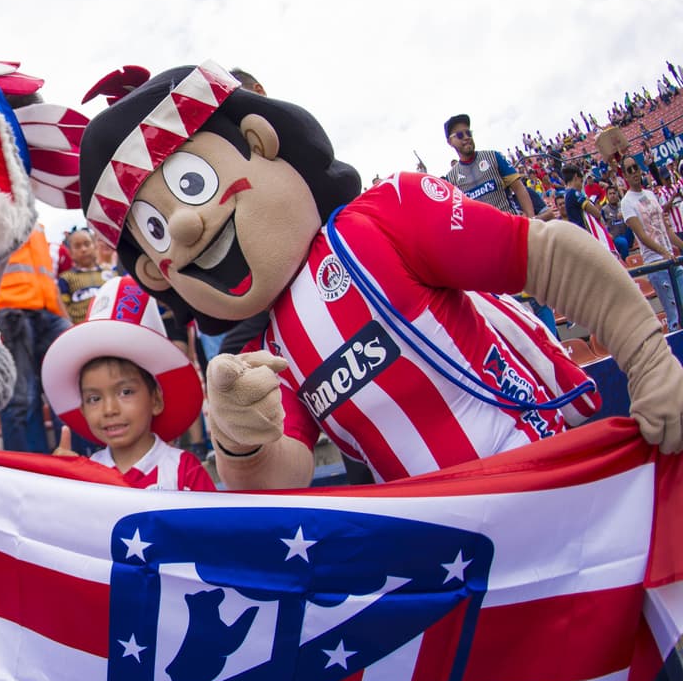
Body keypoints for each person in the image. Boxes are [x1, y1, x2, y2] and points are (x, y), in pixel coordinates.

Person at [78, 63, 683, 491]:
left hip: (562, 477)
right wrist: (240, 441)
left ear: (261, 142)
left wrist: (652, 363)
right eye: (157, 230)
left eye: (194, 185)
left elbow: (548, 258)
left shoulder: (389, 213)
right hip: (466, 562)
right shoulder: (271, 350)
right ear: (157, 272)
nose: (183, 228)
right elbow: (284, 476)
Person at [42, 277, 214, 491]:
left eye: (125, 392)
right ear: (82, 409)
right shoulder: (83, 476)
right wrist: (59, 487)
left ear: (156, 399)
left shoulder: (185, 471)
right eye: (94, 398)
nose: (109, 410)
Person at [0, 224, 72, 452]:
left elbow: (45, 276)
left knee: (65, 392)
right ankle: (29, 469)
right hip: (11, 309)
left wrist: (66, 319)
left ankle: (71, 460)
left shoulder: (36, 225)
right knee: (22, 398)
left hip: (48, 312)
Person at [621, 156, 683, 331]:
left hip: (670, 258)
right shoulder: (627, 202)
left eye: (635, 167)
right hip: (656, 262)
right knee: (674, 317)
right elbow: (641, 235)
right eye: (629, 170)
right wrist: (663, 252)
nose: (634, 172)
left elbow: (667, 230)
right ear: (625, 175)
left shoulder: (650, 194)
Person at [443, 114, 536, 217]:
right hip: (481, 232)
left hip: (508, 225)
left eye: (468, 133)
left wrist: (531, 218)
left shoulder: (493, 157)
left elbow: (518, 188)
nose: (466, 137)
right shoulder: (451, 178)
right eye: (460, 135)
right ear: (450, 142)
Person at [57, 228, 120, 325]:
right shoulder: (66, 278)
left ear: (95, 247)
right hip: (81, 328)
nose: (83, 249)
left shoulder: (111, 274)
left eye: (87, 244)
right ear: (70, 253)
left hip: (111, 323)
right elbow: (63, 307)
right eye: (77, 246)